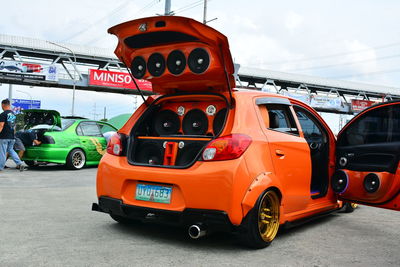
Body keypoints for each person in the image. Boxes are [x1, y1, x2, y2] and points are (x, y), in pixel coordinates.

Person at [0, 99, 26, 171]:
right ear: (9, 105)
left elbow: (1, 126)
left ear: (3, 105)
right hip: (12, 137)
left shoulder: (3, 114)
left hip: (3, 137)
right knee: (11, 150)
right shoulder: (14, 114)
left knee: (2, 152)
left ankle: (0, 168)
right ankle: (20, 163)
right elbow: (14, 127)